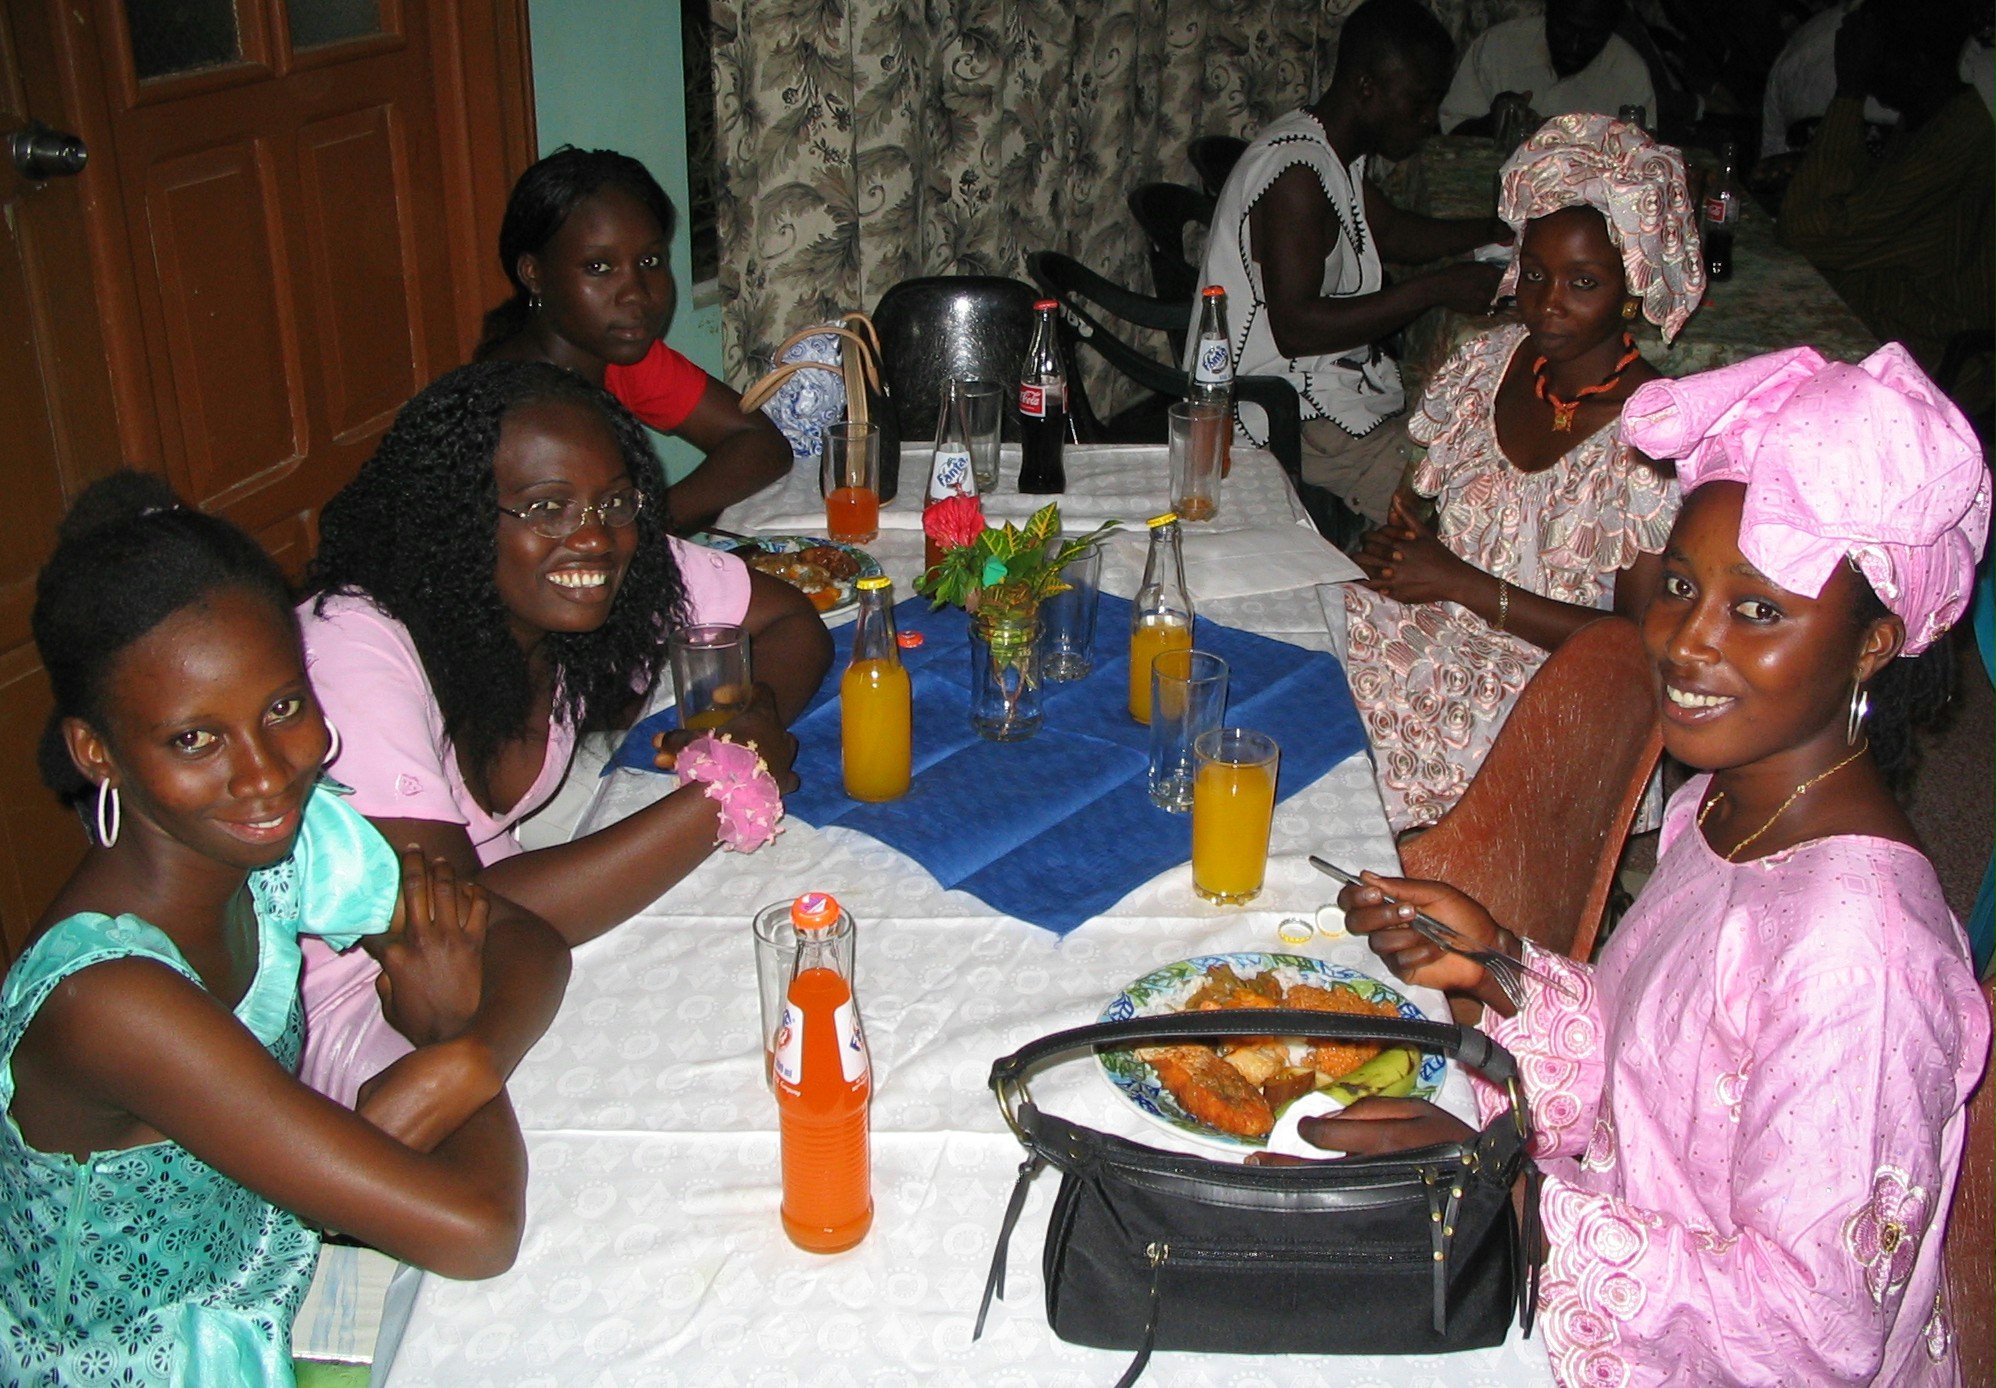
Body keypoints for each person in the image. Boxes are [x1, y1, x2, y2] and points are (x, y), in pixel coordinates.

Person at [1320, 343, 1991, 1383]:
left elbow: (1813, 1331)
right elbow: (1661, 1062)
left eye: (1758, 609)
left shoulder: (1863, 952)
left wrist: (1510, 1195)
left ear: (1871, 645)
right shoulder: (1725, 803)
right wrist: (1497, 961)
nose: (1682, 641)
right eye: (1678, 584)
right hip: (1607, 1257)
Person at [5, 473, 564, 1382]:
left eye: (282, 708)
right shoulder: (109, 1001)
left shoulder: (286, 841)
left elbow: (526, 941)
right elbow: (477, 1229)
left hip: (279, 1260)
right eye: (195, 739)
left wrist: (462, 1060)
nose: (266, 775)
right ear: (95, 752)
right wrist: (449, 1031)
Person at [295, 360, 831, 1107]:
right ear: (459, 517)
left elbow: (786, 619)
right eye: (546, 506)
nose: (595, 540)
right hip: (360, 996)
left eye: (615, 502)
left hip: (519, 952)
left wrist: (751, 713)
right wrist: (729, 786)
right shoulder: (353, 645)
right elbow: (463, 911)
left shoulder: (604, 559)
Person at [1343, 114, 1703, 832]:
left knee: (1355, 748)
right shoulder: (1488, 364)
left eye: (1583, 282)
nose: (1547, 301)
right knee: (1303, 642)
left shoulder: (1650, 441)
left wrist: (1461, 584)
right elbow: (1417, 509)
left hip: (1555, 687)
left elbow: (1633, 649)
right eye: (1534, 274)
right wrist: (1399, 550)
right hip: (1448, 627)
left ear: (1632, 289)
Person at [1187, 0, 1511, 526]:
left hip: (1318, 387)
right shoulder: (1296, 176)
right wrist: (1436, 289)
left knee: (1474, 419)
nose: (1431, 119)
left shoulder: (1327, 150)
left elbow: (1396, 232)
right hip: (1276, 412)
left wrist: (1495, 232)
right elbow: (1295, 328)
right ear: (1367, 89)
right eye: (1420, 102)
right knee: (1464, 490)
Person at [476, 146, 791, 531]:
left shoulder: (616, 357)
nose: (637, 293)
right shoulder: (512, 416)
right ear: (533, 273)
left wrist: (646, 525)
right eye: (599, 267)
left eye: (650, 262)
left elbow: (759, 443)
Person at [1780, 0, 1996, 408]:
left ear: (1914, 61)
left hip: (1933, 353)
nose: (1861, 66)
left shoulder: (1959, 138)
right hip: (1895, 317)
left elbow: (1807, 229)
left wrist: (1850, 92)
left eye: (1870, 57)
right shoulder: (1930, 117)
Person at [1439, 0, 1656, 137]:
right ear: (1549, 11)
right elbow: (1449, 135)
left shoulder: (1629, 72)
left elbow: (1641, 155)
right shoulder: (1497, 47)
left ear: (1611, 28)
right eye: (1566, 29)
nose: (1575, 45)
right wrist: (1494, 123)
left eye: (1592, 35)